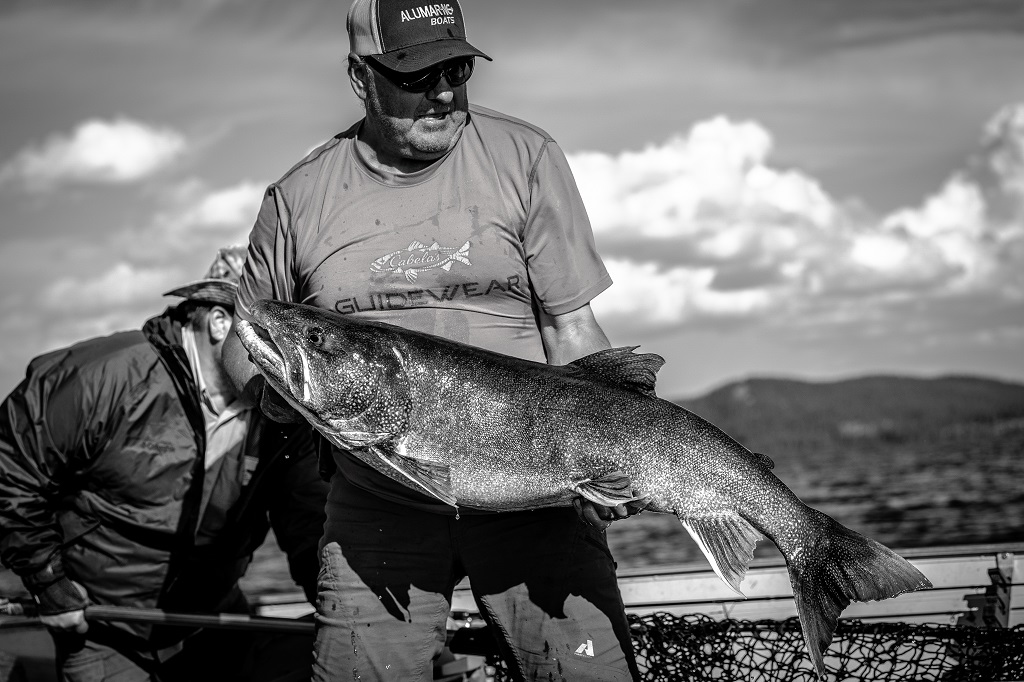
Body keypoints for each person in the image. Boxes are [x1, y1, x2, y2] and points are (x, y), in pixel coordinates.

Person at [222, 0, 643, 679]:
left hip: (535, 501)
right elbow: (247, 349)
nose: (444, 92)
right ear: (361, 77)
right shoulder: (296, 199)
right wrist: (283, 391)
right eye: (417, 75)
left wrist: (619, 454)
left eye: (457, 68)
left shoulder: (524, 157)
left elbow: (572, 329)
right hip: (376, 510)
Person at [0, 246, 328, 682]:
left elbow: (307, 522)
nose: (289, 359)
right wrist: (48, 583)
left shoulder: (283, 413)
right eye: (274, 336)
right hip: (106, 632)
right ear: (219, 323)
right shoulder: (107, 375)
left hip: (215, 620)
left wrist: (347, 615)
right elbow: (11, 467)